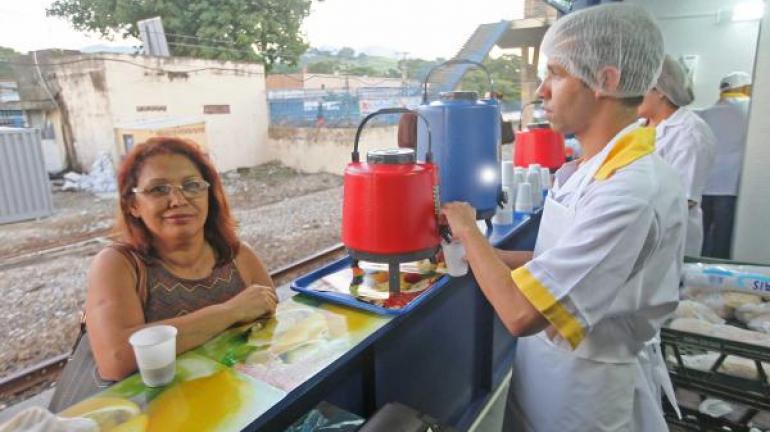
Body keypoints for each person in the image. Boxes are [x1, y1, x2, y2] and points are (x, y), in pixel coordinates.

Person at [441, 4, 687, 431]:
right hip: (547, 371)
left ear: (605, 81)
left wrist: (467, 228)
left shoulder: (631, 192)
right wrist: (485, 253)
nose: (541, 92)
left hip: (586, 393)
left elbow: (520, 314)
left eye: (555, 73)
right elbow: (553, 260)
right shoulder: (591, 169)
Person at [86, 137, 277, 380]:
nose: (178, 200)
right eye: (158, 189)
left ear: (209, 194)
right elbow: (116, 358)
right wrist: (231, 311)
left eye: (192, 185)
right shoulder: (119, 264)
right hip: (162, 413)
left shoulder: (238, 255)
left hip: (248, 402)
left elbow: (272, 322)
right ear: (133, 204)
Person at [638, 55, 716, 256]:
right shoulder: (640, 126)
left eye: (639, 88)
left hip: (669, 238)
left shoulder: (691, 133)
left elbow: (684, 198)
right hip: (638, 232)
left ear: (661, 91)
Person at [697, 71, 752, 259]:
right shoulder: (750, 110)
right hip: (730, 189)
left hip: (702, 187)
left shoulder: (704, 113)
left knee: (700, 240)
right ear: (746, 88)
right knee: (722, 243)